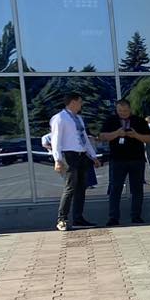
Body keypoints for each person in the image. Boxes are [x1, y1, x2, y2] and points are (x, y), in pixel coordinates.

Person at [50, 93, 100, 232]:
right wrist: (57, 159)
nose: (81, 105)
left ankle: (78, 218)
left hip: (81, 155)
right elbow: (56, 140)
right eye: (80, 102)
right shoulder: (60, 118)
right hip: (68, 155)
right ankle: (62, 219)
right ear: (73, 102)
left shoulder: (78, 118)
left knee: (81, 187)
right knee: (70, 187)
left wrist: (93, 156)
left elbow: (84, 138)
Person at [100, 99, 150, 225]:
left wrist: (136, 135)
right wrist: (117, 133)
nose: (123, 113)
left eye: (125, 111)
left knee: (137, 189)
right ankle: (113, 217)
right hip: (117, 160)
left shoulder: (139, 121)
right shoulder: (111, 120)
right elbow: (102, 136)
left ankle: (136, 216)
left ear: (130, 109)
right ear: (116, 110)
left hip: (136, 159)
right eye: (120, 111)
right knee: (115, 189)